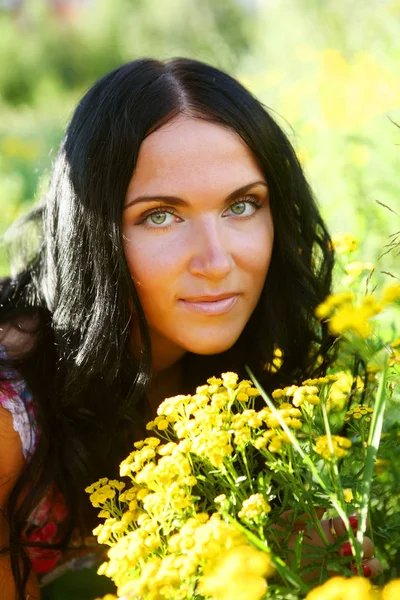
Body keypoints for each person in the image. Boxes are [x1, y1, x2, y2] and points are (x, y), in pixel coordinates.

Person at [0, 58, 381, 600]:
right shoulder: (9, 416)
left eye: (242, 205)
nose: (216, 260)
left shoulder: (258, 373)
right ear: (94, 233)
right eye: (161, 215)